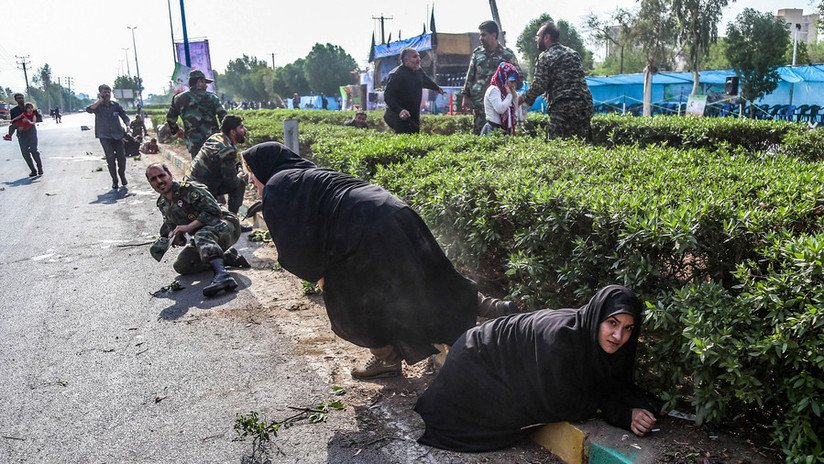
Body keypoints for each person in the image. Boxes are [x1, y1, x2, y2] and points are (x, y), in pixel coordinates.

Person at [242, 142, 517, 380]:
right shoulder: (307, 173)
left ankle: (386, 359)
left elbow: (293, 242)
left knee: (353, 299)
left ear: (264, 168)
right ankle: (495, 308)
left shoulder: (278, 185)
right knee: (429, 273)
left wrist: (319, 274)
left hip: (364, 227)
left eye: (252, 175)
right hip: (392, 209)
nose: (252, 182)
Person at [414, 285, 663, 452]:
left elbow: (608, 382)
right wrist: (622, 414)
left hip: (495, 356)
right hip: (477, 359)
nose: (618, 336)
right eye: (612, 323)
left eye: (628, 328)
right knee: (502, 413)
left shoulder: (597, 339)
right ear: (597, 317)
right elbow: (562, 402)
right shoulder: (562, 340)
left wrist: (640, 404)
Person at [146, 163, 250, 297]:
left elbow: (214, 211)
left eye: (161, 175)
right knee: (182, 266)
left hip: (226, 224)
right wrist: (177, 237)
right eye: (153, 179)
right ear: (150, 183)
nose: (159, 181)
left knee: (201, 234)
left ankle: (222, 276)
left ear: (170, 175)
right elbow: (173, 226)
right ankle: (227, 257)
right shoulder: (162, 204)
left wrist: (188, 227)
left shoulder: (190, 189)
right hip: (205, 237)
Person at [519, 21, 593, 140]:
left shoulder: (546, 56)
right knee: (582, 145)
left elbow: (539, 85)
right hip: (584, 105)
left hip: (562, 108)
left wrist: (522, 99)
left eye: (538, 36)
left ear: (546, 37)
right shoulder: (573, 53)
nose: (536, 40)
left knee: (557, 145)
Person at [461, 21, 521, 135]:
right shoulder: (477, 53)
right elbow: (470, 75)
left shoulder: (507, 54)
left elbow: (518, 76)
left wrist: (510, 88)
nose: (480, 38)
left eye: (484, 35)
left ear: (494, 35)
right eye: (480, 35)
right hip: (479, 105)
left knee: (499, 139)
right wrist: (465, 95)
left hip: (499, 108)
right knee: (479, 138)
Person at [186, 114, 248, 215]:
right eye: (241, 127)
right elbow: (232, 182)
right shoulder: (227, 150)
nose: (244, 130)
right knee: (240, 182)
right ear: (232, 132)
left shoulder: (216, 137)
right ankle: (232, 219)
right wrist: (241, 175)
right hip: (201, 190)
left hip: (191, 184)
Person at [165, 69, 227, 158]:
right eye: (205, 83)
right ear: (200, 82)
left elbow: (170, 119)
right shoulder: (212, 97)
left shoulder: (179, 99)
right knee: (216, 166)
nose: (206, 86)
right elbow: (223, 117)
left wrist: (177, 130)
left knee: (199, 168)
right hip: (213, 141)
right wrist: (225, 135)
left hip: (194, 143)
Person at [383, 48, 444, 134]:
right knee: (409, 133)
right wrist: (400, 110)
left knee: (415, 132)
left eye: (419, 56)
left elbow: (425, 80)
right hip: (397, 113)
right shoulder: (396, 74)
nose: (419, 59)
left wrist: (436, 88)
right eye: (415, 57)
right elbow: (388, 96)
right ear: (406, 60)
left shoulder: (418, 70)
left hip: (413, 113)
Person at [86, 84, 130, 189]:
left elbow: (124, 116)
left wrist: (128, 125)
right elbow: (89, 110)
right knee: (110, 158)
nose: (107, 94)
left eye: (108, 92)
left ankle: (122, 175)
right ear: (100, 94)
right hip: (104, 136)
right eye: (104, 92)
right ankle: (115, 180)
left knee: (122, 157)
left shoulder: (115, 105)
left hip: (118, 135)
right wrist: (99, 101)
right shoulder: (97, 107)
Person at [481, 62, 520, 135]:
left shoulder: (505, 91)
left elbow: (515, 107)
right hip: (493, 130)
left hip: (505, 130)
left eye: (515, 82)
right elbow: (500, 109)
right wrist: (509, 95)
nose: (513, 85)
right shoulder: (494, 90)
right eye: (511, 81)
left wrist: (514, 94)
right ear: (503, 78)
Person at [8, 100, 43, 177]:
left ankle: (40, 167)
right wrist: (18, 126)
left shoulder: (31, 108)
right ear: (16, 99)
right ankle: (33, 170)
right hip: (21, 134)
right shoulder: (14, 110)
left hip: (31, 133)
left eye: (21, 97)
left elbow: (40, 118)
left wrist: (29, 121)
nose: (20, 99)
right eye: (18, 98)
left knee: (34, 150)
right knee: (25, 153)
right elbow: (13, 122)